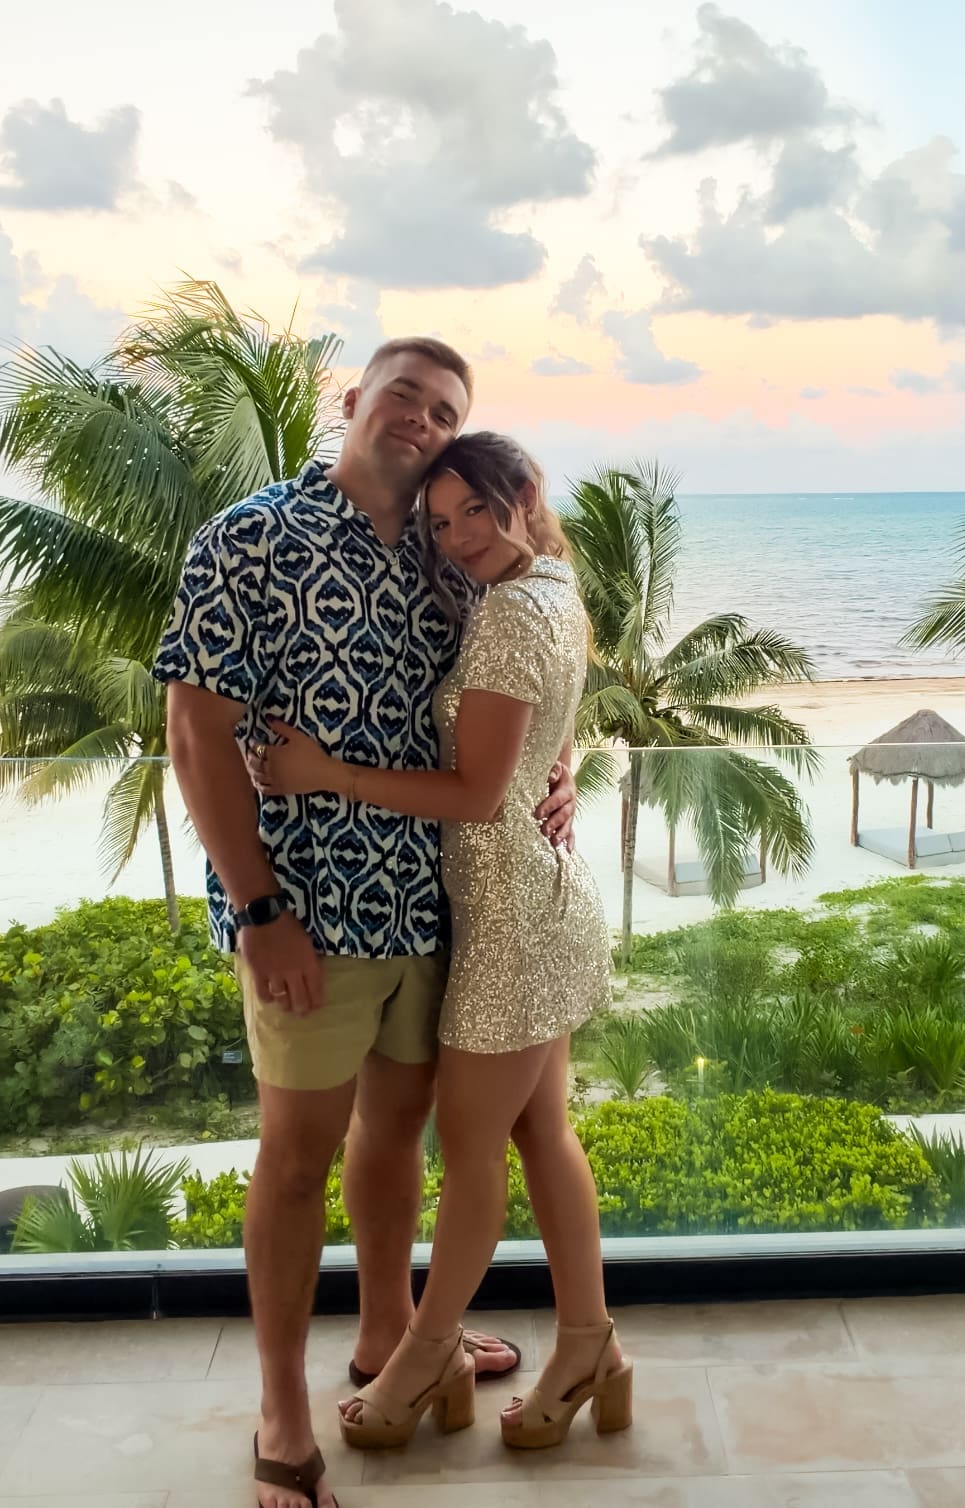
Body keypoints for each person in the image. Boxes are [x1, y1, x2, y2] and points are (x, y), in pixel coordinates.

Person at [153, 341, 576, 1508]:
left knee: (396, 1138)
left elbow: (515, 692)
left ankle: (389, 1329)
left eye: (444, 410)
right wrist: (258, 908)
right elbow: (195, 731)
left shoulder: (454, 553)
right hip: (309, 908)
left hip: (438, 902)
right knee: (296, 1160)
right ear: (353, 400)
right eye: (404, 395)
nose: (421, 420)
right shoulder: (251, 536)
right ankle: (281, 1410)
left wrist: (561, 771)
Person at [246, 430, 631, 1458]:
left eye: (476, 512)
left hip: (508, 920)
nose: (458, 537)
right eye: (442, 520)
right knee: (542, 1135)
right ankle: (589, 1343)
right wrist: (557, 768)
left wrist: (326, 773)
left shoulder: (506, 616)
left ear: (526, 494)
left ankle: (422, 1355)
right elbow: (544, 728)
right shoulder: (553, 588)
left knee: (470, 1153)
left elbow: (472, 794)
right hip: (534, 900)